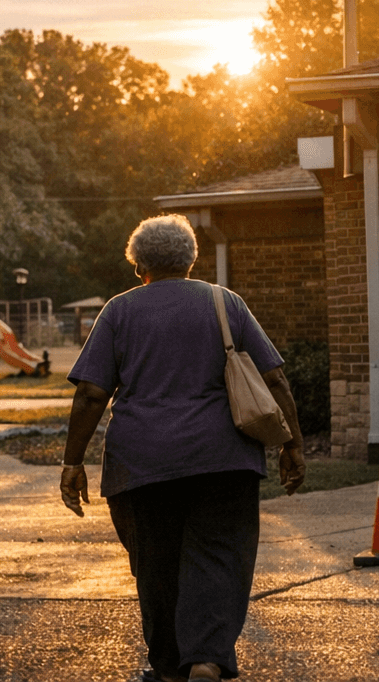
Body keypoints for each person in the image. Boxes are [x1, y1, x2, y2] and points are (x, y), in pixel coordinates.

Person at [60, 214, 306, 682]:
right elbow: (274, 378)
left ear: (139, 266)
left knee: (156, 563)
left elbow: (92, 394)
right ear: (192, 259)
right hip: (224, 459)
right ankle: (208, 658)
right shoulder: (225, 303)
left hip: (142, 464)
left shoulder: (119, 311)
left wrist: (73, 462)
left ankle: (171, 666)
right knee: (219, 556)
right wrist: (291, 444)